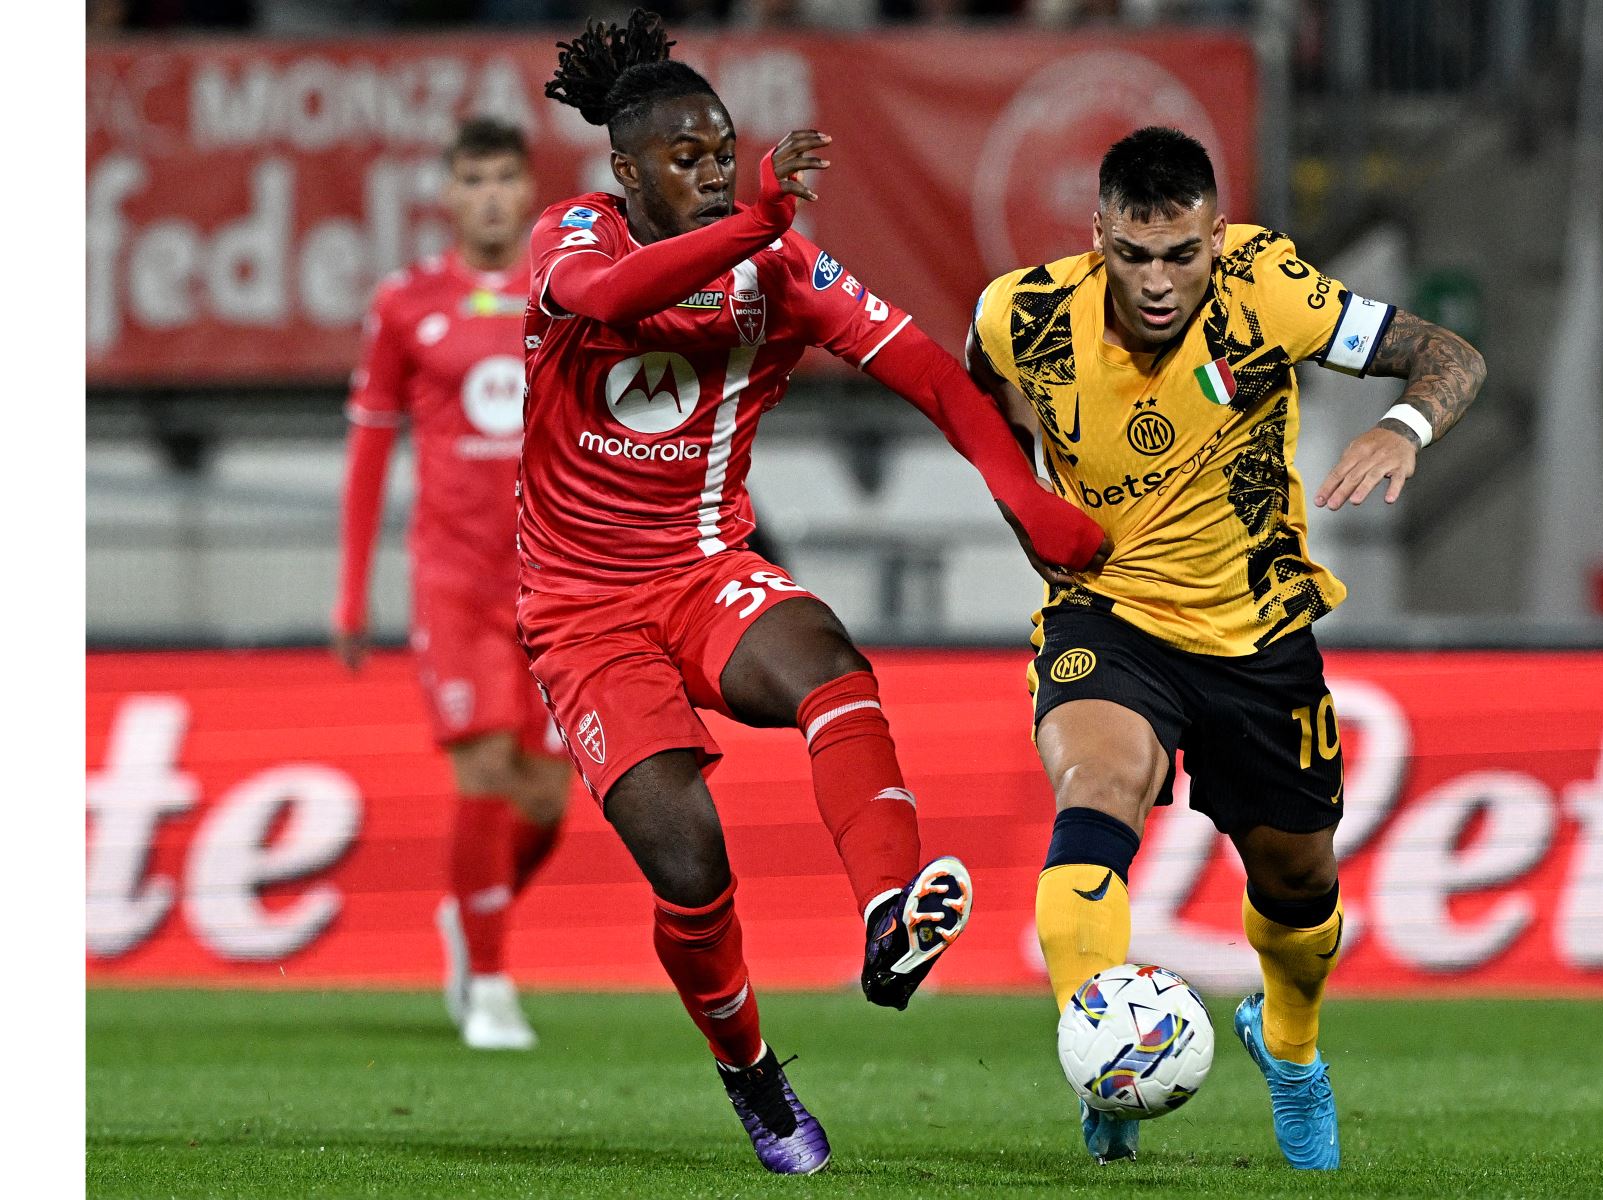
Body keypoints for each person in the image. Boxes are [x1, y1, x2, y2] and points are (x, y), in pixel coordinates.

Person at [524, 9, 1107, 1175]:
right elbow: (615, 302)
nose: (706, 169)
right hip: (582, 611)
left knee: (832, 666)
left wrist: (1023, 500)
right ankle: (750, 1072)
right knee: (689, 865)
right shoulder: (568, 239)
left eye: (721, 148)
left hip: (704, 569)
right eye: (681, 158)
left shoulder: (779, 265)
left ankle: (891, 916)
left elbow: (931, 373)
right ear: (624, 171)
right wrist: (751, 218)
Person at [965, 126, 1485, 1169]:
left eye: (1183, 253)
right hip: (1106, 616)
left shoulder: (1269, 291)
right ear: (1098, 235)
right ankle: (1102, 1060)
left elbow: (1452, 353)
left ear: (1215, 234)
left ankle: (1288, 1050)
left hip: (1258, 635)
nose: (1159, 282)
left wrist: (1402, 429)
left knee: (1297, 888)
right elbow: (978, 394)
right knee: (1097, 788)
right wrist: (1025, 495)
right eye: (1134, 254)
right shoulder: (1020, 312)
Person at [333, 118, 570, 1052]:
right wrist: (351, 592)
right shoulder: (406, 303)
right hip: (455, 581)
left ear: (526, 190)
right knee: (481, 772)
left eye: (503, 178)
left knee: (546, 801)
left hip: (556, 581)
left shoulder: (567, 289)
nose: (487, 196)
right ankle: (493, 987)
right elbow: (368, 445)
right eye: (470, 178)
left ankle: (472, 917)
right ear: (447, 191)